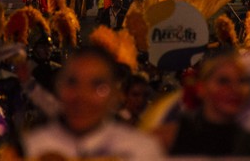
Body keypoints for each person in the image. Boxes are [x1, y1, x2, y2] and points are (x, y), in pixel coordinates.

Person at [21, 46, 164, 160]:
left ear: (115, 94)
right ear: (58, 87)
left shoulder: (141, 151)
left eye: (98, 86)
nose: (82, 96)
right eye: (72, 83)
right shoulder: (31, 149)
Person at [166, 53, 250, 157]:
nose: (234, 89)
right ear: (201, 88)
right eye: (223, 81)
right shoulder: (168, 139)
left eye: (242, 81)